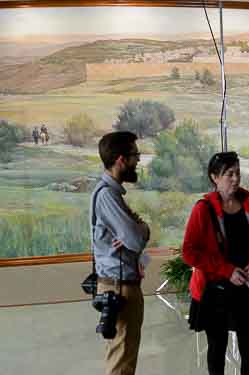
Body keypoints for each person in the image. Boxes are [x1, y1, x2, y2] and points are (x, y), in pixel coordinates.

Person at [180, 152, 249, 375]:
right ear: (215, 177)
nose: (235, 179)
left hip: (246, 290)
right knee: (217, 349)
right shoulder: (202, 209)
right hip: (216, 292)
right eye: (229, 174)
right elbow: (189, 252)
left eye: (237, 173)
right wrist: (225, 270)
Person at [92, 131, 150, 375]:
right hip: (119, 289)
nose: (138, 160)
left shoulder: (113, 194)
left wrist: (137, 228)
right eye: (134, 155)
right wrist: (141, 227)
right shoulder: (107, 195)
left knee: (123, 359)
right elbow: (136, 239)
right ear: (120, 160)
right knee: (121, 365)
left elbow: (133, 236)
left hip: (121, 286)